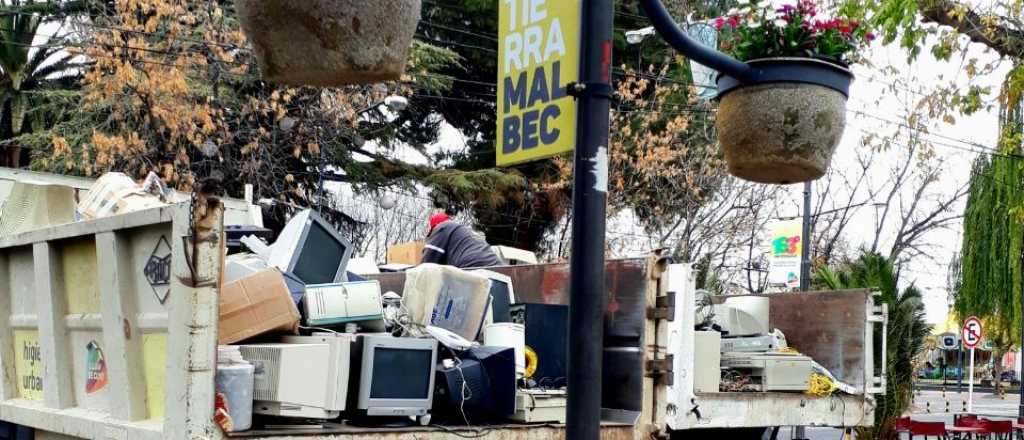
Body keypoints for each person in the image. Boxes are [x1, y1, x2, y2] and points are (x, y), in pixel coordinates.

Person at [421, 213, 502, 268]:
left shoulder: (442, 226)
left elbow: (427, 263)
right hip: (497, 266)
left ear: (435, 227)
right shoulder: (466, 233)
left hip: (472, 266)